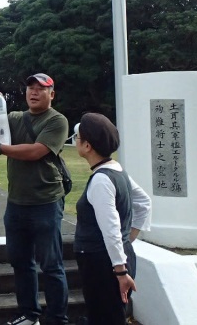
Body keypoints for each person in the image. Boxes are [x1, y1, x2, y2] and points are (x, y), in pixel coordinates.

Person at [0, 73, 69, 325]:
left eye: (41, 89)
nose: (34, 92)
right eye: (30, 88)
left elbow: (36, 151)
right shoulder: (14, 118)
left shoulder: (57, 121)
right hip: (17, 202)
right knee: (20, 262)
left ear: (51, 94)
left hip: (46, 202)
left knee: (51, 265)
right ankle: (29, 314)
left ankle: (56, 319)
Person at [73, 113, 151, 325]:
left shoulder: (101, 180)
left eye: (77, 138)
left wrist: (120, 270)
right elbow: (144, 203)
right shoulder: (116, 170)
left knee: (106, 317)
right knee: (110, 314)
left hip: (101, 263)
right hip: (117, 257)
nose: (75, 141)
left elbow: (110, 229)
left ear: (87, 146)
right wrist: (128, 240)